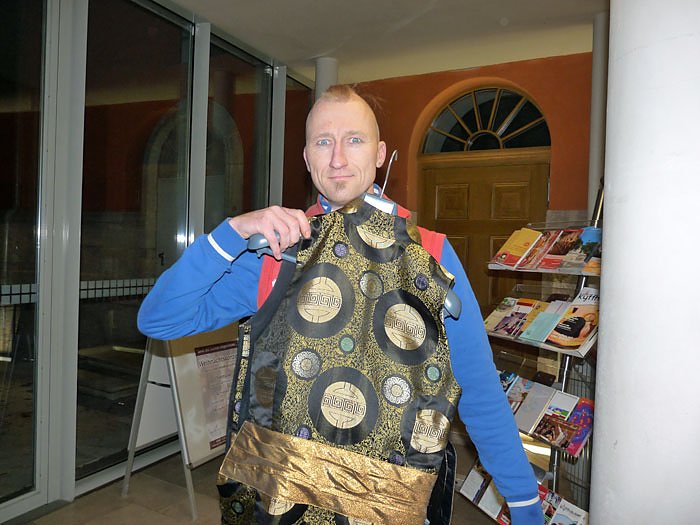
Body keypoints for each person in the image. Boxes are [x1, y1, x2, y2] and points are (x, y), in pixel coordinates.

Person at [138, 85, 544, 525]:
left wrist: (524, 502)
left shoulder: (430, 256)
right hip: (279, 502)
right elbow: (160, 319)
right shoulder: (279, 251)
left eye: (354, 139)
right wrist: (232, 232)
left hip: (384, 507)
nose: (337, 159)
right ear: (306, 157)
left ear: (380, 154)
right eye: (323, 142)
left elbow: (478, 388)